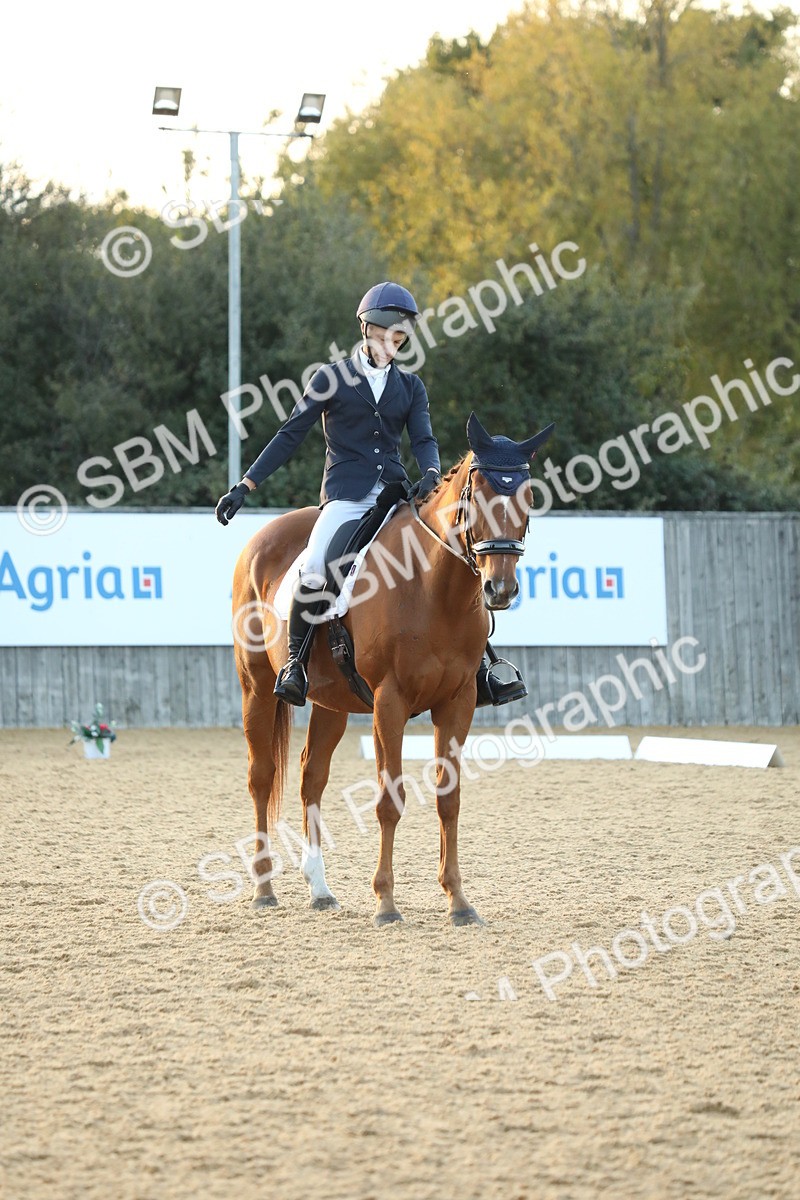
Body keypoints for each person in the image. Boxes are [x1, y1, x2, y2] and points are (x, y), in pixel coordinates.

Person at [216, 281, 526, 710]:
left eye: (398, 338)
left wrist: (432, 473)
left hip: (397, 497)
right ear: (365, 329)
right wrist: (246, 485)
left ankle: (481, 666)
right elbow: (290, 435)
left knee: (451, 559)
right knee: (317, 566)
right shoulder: (331, 379)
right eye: (383, 335)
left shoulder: (411, 387)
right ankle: (295, 664)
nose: (389, 344)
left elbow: (423, 438)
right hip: (345, 498)